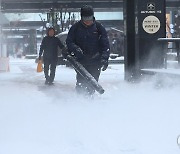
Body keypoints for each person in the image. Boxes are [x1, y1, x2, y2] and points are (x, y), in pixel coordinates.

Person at [66, 5, 110, 95]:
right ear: (81, 17)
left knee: (92, 84)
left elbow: (105, 45)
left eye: (89, 18)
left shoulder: (99, 28)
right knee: (81, 83)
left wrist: (104, 58)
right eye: (85, 18)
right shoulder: (75, 28)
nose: (87, 21)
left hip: (95, 61)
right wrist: (75, 49)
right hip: (81, 62)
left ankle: (90, 103)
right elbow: (69, 42)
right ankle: (81, 101)